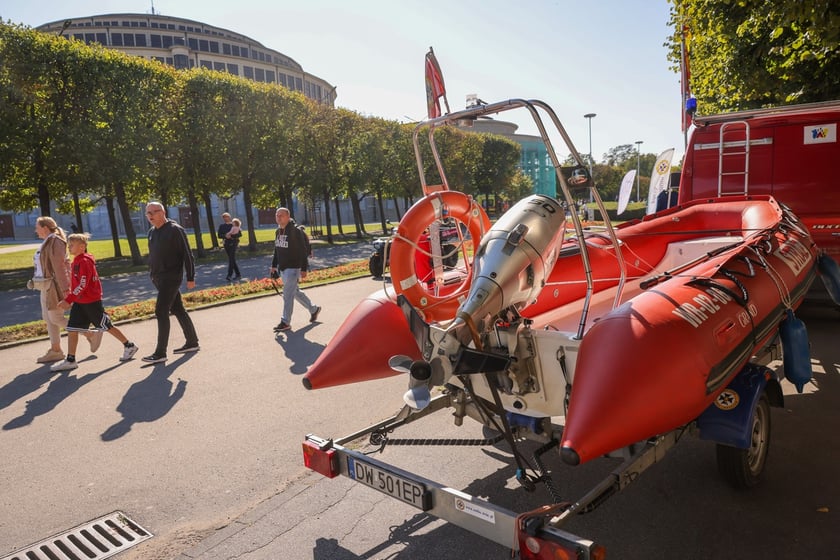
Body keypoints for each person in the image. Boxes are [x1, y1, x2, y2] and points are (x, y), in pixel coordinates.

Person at [50, 234, 139, 372]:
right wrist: (72, 297)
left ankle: (129, 345)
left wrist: (68, 299)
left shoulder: (84, 261)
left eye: (72, 245)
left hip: (91, 301)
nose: (69, 247)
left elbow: (83, 284)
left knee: (106, 325)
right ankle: (70, 359)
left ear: (82, 246)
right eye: (69, 245)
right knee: (72, 328)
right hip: (80, 301)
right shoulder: (77, 261)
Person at [142, 202, 200, 363]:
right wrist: (152, 274)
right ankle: (192, 342)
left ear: (163, 212)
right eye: (148, 213)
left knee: (161, 311)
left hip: (172, 277)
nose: (151, 215)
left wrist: (190, 277)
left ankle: (160, 353)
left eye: (154, 211)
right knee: (178, 308)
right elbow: (153, 255)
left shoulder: (175, 230)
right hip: (158, 277)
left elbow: (187, 255)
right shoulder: (152, 232)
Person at [269, 207, 321, 332]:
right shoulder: (278, 231)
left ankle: (285, 322)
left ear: (288, 216)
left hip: (294, 268)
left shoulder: (295, 232)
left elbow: (303, 250)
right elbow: (277, 250)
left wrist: (304, 268)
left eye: (281, 215)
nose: (278, 217)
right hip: (283, 268)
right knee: (295, 292)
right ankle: (314, 309)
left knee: (287, 295)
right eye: (277, 215)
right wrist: (274, 266)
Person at [32, 216, 71, 363]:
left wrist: (66, 289)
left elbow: (60, 267)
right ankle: (55, 350)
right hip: (45, 285)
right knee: (48, 318)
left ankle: (90, 334)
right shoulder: (47, 241)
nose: (35, 229)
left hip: (54, 286)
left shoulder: (55, 241)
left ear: (45, 228)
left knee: (56, 318)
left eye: (37, 226)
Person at [217, 212, 242, 281]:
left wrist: (231, 236)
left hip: (234, 243)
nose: (225, 218)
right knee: (232, 259)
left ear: (229, 217)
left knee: (231, 258)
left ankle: (229, 275)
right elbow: (219, 235)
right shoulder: (222, 226)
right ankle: (238, 274)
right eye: (224, 217)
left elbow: (239, 234)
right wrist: (225, 236)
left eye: (227, 217)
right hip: (226, 243)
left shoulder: (234, 224)